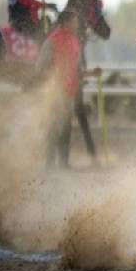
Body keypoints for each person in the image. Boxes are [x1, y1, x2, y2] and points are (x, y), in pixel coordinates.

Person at [35, 9, 100, 167]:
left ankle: (63, 162)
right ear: (65, 22)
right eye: (74, 20)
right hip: (55, 91)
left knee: (66, 125)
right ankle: (49, 162)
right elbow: (40, 67)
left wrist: (91, 73)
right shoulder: (52, 40)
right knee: (54, 125)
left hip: (70, 91)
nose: (77, 23)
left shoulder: (75, 41)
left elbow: (77, 70)